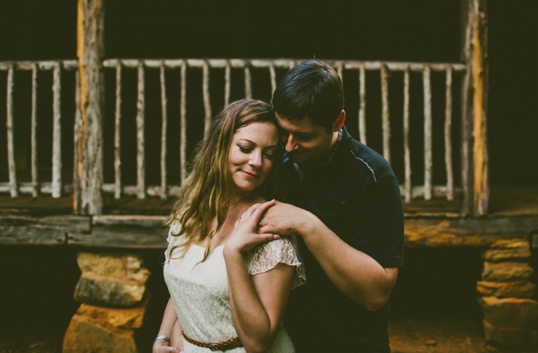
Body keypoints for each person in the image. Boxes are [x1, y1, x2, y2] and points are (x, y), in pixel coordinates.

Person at [258, 60, 405, 353]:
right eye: (283, 131)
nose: (288, 146)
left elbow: (376, 293)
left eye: (304, 136)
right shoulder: (268, 161)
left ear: (338, 122)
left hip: (349, 344)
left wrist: (308, 224)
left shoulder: (373, 176)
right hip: (280, 340)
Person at [154, 99, 305, 353]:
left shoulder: (269, 228)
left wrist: (233, 254)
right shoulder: (191, 209)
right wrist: (163, 338)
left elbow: (259, 343)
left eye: (268, 154)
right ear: (220, 146)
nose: (257, 162)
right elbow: (186, 283)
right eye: (246, 148)